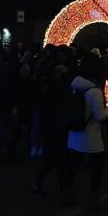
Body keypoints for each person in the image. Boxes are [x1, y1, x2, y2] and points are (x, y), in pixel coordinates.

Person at [61, 53, 108, 210]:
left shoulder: (75, 87)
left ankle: (66, 193)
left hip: (75, 133)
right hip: (92, 136)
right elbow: (99, 115)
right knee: (98, 166)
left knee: (73, 165)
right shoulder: (94, 91)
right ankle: (94, 197)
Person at [31, 61, 71, 197]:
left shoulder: (50, 86)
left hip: (51, 125)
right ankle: (62, 190)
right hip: (55, 125)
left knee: (52, 160)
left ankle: (41, 184)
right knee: (57, 159)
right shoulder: (57, 88)